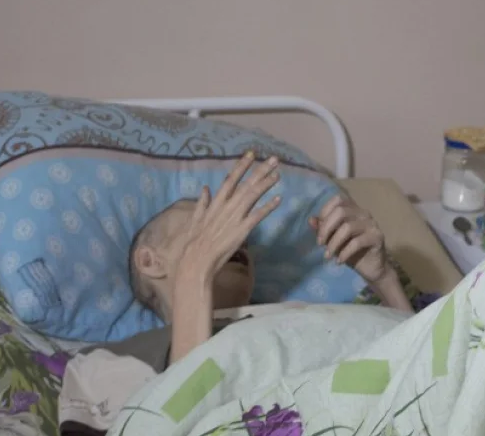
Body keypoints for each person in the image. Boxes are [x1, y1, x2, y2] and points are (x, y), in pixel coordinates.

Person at [129, 150, 414, 364]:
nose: (236, 242)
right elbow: (174, 419)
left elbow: (421, 369)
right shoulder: (131, 355)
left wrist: (384, 280)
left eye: (238, 238)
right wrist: (195, 274)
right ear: (149, 261)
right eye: (207, 227)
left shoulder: (302, 315)